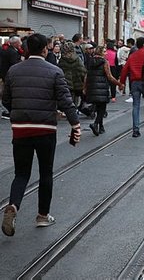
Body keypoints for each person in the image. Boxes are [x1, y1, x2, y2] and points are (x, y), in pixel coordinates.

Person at [1, 33, 81, 236]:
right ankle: (43, 216)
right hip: (45, 129)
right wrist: (75, 123)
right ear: (45, 49)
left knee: (21, 173)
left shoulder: (13, 71)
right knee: (46, 173)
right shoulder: (54, 71)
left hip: (21, 129)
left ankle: (13, 205)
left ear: (27, 49)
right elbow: (65, 100)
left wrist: (16, 113)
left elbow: (6, 99)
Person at [119, 37, 144, 137]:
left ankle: (135, 130)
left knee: (135, 106)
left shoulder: (132, 55)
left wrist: (122, 83)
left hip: (134, 83)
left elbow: (125, 70)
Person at [85, 45, 123, 136]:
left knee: (98, 107)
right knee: (102, 108)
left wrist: (85, 87)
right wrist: (119, 84)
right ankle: (95, 124)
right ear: (101, 53)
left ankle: (101, 126)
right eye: (105, 51)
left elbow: (86, 76)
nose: (106, 53)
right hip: (101, 87)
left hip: (92, 87)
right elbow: (109, 76)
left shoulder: (90, 61)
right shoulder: (104, 62)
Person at [58, 41, 87, 110]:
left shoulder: (62, 60)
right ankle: (74, 111)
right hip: (77, 83)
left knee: (67, 99)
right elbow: (82, 71)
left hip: (66, 83)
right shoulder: (77, 59)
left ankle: (68, 111)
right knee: (75, 100)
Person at [0, 35, 24, 119]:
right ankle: (8, 111)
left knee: (6, 92)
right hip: (9, 75)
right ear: (16, 43)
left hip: (4, 74)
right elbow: (15, 64)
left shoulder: (7, 50)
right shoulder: (12, 52)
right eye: (20, 41)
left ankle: (6, 110)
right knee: (9, 93)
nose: (21, 43)